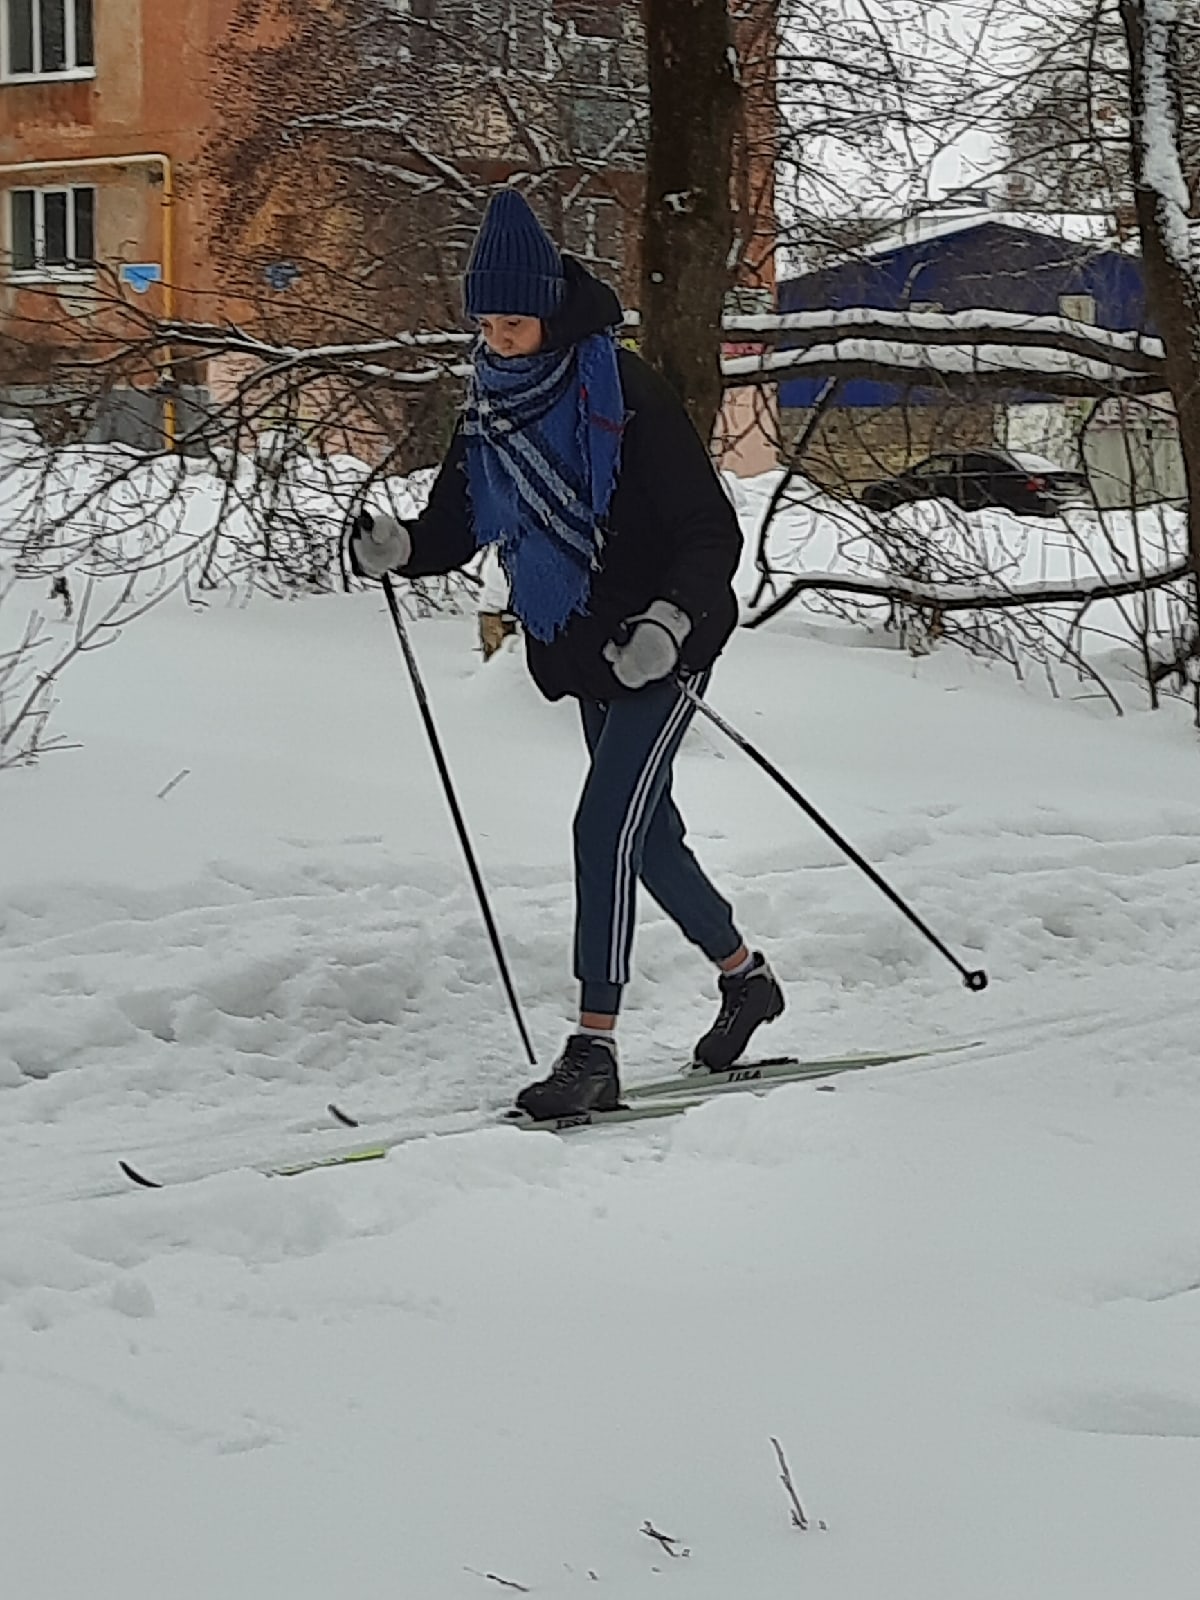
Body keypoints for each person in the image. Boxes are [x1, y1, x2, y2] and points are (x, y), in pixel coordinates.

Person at [349, 189, 784, 1120]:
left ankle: (594, 1047)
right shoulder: (491, 407)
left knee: (602, 828)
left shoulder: (622, 389)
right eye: (486, 324)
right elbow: (454, 524)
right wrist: (401, 547)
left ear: (550, 310)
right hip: (585, 643)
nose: (499, 339)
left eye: (514, 322)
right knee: (647, 837)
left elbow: (709, 529)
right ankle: (746, 978)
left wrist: (668, 620)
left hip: (665, 642)